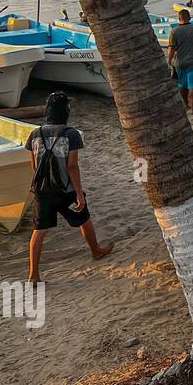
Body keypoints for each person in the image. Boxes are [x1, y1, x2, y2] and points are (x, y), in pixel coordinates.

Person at [26, 92, 112, 283]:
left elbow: (34, 165)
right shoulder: (70, 134)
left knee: (39, 231)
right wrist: (79, 194)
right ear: (65, 110)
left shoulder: (35, 134)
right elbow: (72, 166)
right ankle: (96, 251)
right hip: (66, 189)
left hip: (43, 190)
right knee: (84, 218)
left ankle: (33, 274)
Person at [167, 8, 193, 114]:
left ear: (179, 18)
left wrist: (169, 60)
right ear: (189, 17)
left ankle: (186, 104)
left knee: (182, 83)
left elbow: (171, 48)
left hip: (180, 62)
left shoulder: (174, 31)